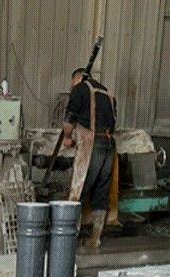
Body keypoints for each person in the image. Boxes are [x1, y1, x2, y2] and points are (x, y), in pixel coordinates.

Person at [62, 68, 118, 248]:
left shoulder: (80, 89)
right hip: (109, 146)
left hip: (92, 146)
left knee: (78, 191)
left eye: (72, 85)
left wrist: (67, 137)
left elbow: (69, 119)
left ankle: (69, 238)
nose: (72, 88)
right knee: (101, 193)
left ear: (77, 79)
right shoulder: (108, 93)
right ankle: (95, 238)